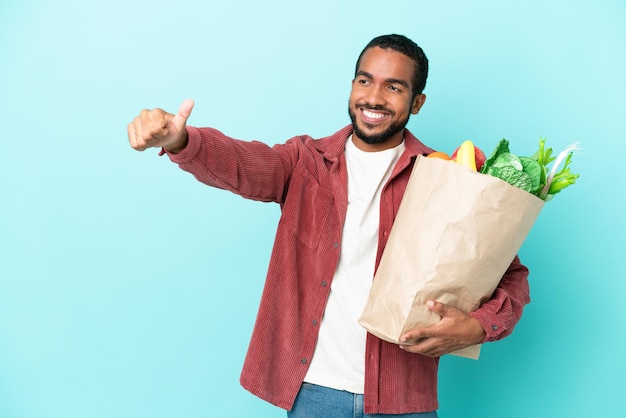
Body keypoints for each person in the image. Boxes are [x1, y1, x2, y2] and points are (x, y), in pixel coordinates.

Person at [127, 34, 530, 417]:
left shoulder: (444, 177)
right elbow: (239, 162)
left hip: (402, 397)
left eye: (394, 87)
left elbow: (509, 276)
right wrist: (182, 141)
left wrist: (478, 328)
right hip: (313, 394)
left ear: (417, 102)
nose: (373, 97)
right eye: (365, 81)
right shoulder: (305, 161)